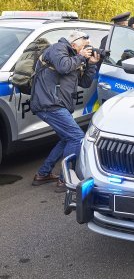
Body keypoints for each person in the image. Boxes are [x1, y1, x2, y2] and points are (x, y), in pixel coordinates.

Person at [30, 30, 99, 192]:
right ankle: (65, 180)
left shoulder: (75, 57)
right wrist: (81, 56)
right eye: (85, 45)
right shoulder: (57, 49)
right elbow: (62, 67)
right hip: (49, 103)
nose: (88, 48)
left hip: (57, 104)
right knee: (77, 137)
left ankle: (43, 174)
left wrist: (92, 63)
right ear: (74, 43)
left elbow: (85, 82)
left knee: (66, 138)